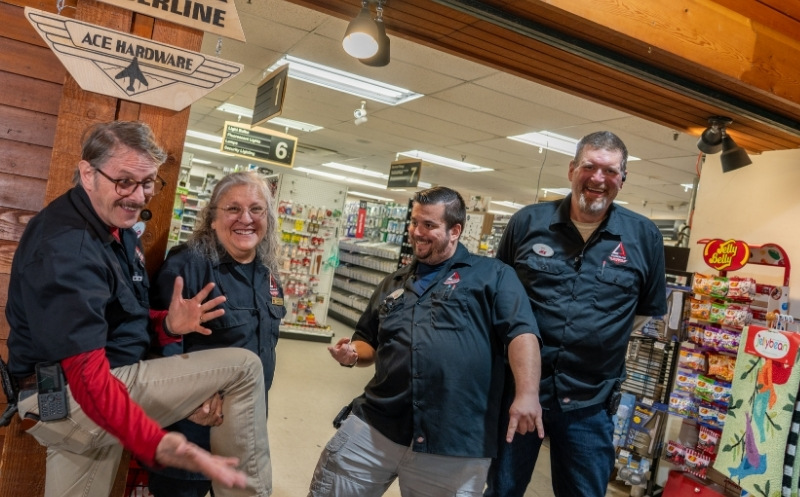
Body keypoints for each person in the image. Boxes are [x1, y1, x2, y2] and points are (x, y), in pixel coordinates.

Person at [5, 121, 271, 497]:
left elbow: (115, 317)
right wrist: (157, 442)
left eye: (147, 182)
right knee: (243, 367)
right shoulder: (69, 249)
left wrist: (168, 325)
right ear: (88, 174)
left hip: (78, 397)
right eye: (125, 181)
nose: (138, 196)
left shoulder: (116, 229)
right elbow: (88, 381)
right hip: (71, 398)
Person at [308, 186, 544, 497]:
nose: (417, 232)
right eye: (415, 222)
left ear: (455, 230)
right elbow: (368, 341)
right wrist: (352, 353)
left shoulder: (493, 276)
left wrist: (527, 394)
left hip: (454, 443)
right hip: (377, 425)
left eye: (429, 225)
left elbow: (521, 332)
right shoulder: (393, 283)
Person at [484, 131, 668, 497]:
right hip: (520, 392)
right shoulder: (527, 222)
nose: (599, 178)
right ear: (572, 170)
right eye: (590, 167)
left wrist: (598, 335)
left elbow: (643, 312)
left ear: (623, 178)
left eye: (610, 171)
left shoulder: (644, 236)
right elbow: (498, 298)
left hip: (590, 403)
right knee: (502, 490)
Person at [147, 171, 286, 497]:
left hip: (245, 423)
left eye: (256, 209)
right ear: (212, 218)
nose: (246, 219)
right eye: (233, 209)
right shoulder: (188, 266)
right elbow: (153, 343)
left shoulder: (267, 272)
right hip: (191, 427)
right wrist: (190, 401)